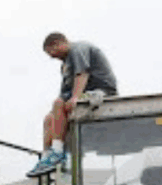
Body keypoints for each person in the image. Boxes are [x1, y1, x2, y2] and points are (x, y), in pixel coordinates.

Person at [27, 32, 118, 177]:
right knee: (49, 119)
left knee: (58, 104)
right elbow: (64, 92)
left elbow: (82, 74)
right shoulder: (65, 64)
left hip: (100, 91)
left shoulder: (78, 49)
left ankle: (57, 152)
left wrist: (75, 97)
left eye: (52, 53)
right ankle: (46, 157)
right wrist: (56, 114)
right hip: (82, 93)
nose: (52, 57)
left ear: (58, 43)